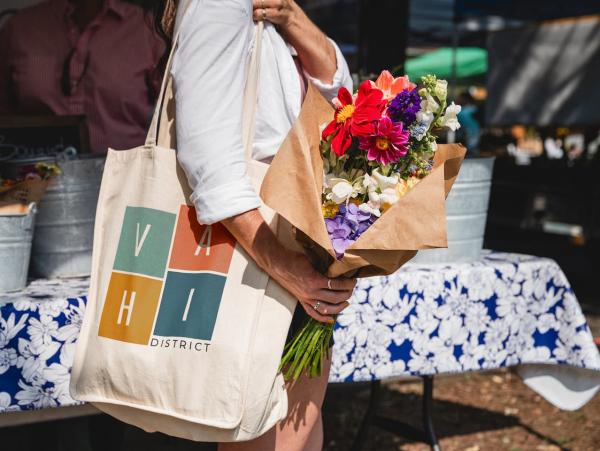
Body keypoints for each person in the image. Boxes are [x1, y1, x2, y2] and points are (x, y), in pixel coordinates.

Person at [160, 0, 356, 450]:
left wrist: (292, 17)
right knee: (268, 429)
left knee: (301, 426)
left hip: (288, 240)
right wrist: (284, 264)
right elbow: (209, 162)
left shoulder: (268, 10)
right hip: (259, 249)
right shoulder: (218, 4)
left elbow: (340, 104)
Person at [0, 0, 165, 154]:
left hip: (125, 178)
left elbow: (172, 118)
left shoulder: (146, 30)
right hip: (34, 176)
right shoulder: (19, 29)